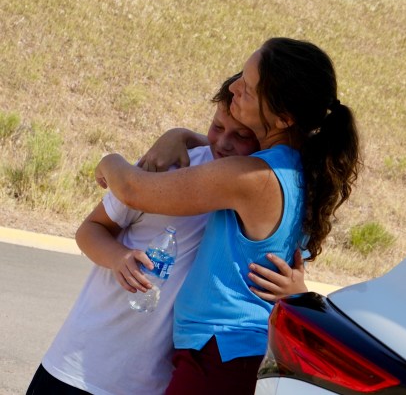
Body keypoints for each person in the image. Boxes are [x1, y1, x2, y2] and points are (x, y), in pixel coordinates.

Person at [94, 37, 361, 394]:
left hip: (220, 355)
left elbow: (133, 189)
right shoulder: (298, 171)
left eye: (248, 88)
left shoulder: (254, 178)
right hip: (231, 353)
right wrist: (180, 136)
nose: (234, 86)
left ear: (283, 117)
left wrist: (109, 161)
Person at [26, 73, 308, 395]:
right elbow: (90, 230)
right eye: (216, 127)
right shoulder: (165, 169)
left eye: (241, 135)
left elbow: (285, 262)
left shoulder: (262, 192)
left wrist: (297, 292)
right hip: (79, 365)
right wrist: (118, 258)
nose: (223, 142)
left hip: (160, 382)